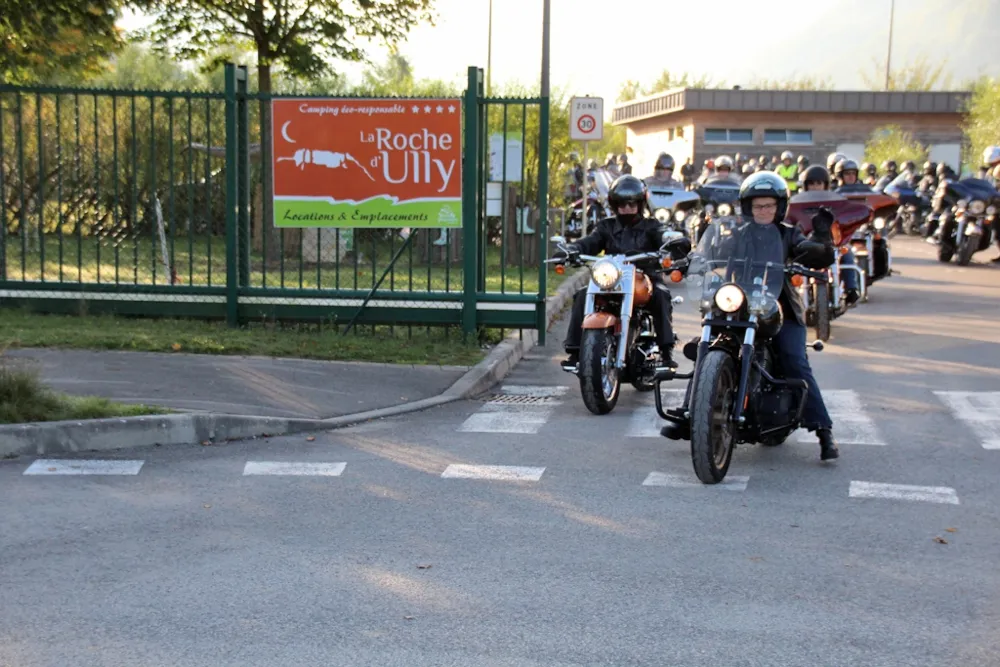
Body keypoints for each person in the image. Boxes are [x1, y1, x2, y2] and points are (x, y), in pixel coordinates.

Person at [557, 175, 679, 369]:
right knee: (582, 294)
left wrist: (672, 241)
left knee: (661, 295)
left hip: (644, 278)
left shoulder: (651, 226)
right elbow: (591, 241)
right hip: (613, 279)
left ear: (641, 204)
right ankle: (575, 351)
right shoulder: (607, 226)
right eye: (622, 204)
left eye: (632, 204)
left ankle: (666, 351)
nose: (627, 208)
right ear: (615, 205)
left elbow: (663, 234)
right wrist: (573, 249)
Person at [806, 164, 861, 305]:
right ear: (806, 185)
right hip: (806, 242)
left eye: (819, 183)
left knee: (847, 253)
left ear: (825, 185)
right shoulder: (799, 201)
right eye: (811, 184)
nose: (815, 187)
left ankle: (851, 289)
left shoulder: (835, 200)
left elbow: (843, 217)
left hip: (831, 241)